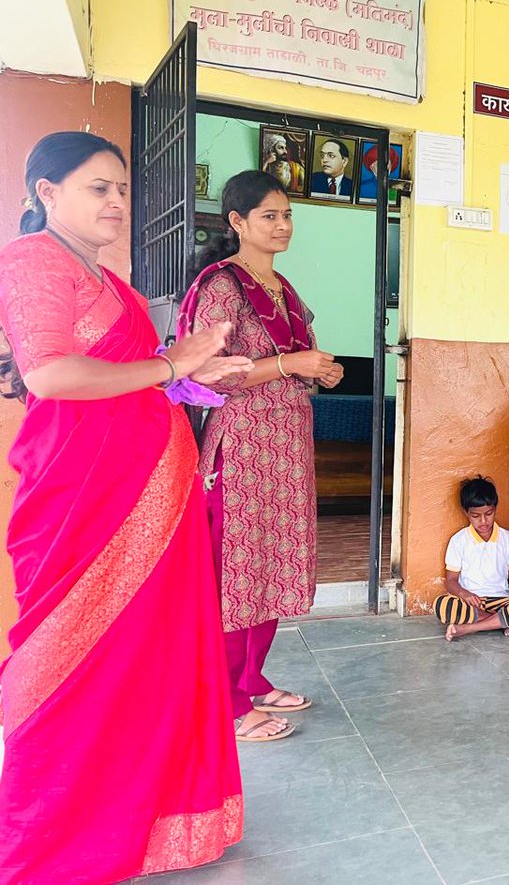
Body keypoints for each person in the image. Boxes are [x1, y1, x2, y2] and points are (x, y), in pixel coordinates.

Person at [0, 131, 249, 881]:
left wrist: (199, 377)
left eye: (121, 188)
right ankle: (60, 830)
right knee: (79, 662)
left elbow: (139, 382)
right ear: (47, 194)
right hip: (87, 499)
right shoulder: (33, 260)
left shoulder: (115, 283)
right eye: (98, 187)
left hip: (154, 500)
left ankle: (151, 818)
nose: (116, 202)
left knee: (151, 659)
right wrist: (173, 363)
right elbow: (50, 376)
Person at [179, 170, 344, 742]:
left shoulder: (283, 288)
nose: (283, 225)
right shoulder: (222, 286)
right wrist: (289, 365)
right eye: (269, 216)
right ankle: (224, 700)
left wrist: (319, 370)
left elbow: (298, 358)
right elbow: (206, 372)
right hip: (243, 447)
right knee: (236, 571)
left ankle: (251, 677)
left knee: (270, 563)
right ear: (237, 222)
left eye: (287, 215)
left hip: (286, 447)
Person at [435, 475, 509, 641]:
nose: (483, 521)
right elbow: (451, 581)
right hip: (472, 602)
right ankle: (501, 622)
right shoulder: (458, 541)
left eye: (489, 513)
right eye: (476, 516)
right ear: (466, 512)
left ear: (495, 508)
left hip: (502, 601)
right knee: (443, 604)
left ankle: (467, 628)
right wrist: (464, 594)